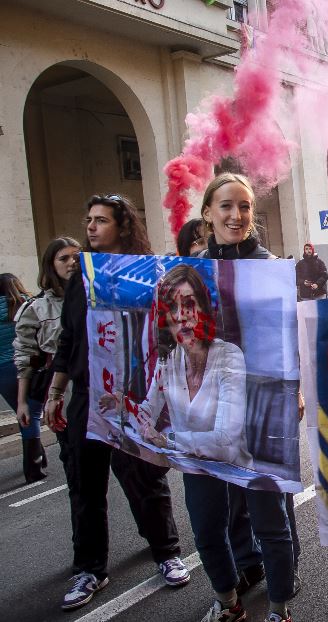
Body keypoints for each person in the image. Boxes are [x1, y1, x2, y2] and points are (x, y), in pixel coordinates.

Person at [43, 195, 189, 611]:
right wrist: (56, 392)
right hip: (88, 398)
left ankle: (166, 552)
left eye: (101, 220)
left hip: (134, 395)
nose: (90, 227)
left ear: (122, 227)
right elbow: (69, 339)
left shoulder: (147, 275)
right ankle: (89, 568)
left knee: (145, 478)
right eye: (88, 219)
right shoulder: (80, 278)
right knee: (85, 487)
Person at [191, 172, 296, 622]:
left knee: (270, 520)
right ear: (208, 213)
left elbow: (289, 337)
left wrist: (296, 392)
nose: (237, 215)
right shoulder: (189, 271)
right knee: (206, 520)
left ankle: (278, 608)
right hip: (200, 413)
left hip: (260, 408)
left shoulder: (270, 267)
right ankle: (229, 602)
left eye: (245, 207)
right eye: (227, 206)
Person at [175, 219, 267, 597]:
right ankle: (235, 579)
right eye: (195, 247)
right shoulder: (174, 356)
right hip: (204, 426)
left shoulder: (254, 267)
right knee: (212, 512)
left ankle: (256, 563)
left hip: (245, 388)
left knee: (246, 497)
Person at [99, 264, 251, 465]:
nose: (180, 316)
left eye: (188, 303)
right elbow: (148, 415)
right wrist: (125, 406)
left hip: (235, 478)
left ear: (204, 308)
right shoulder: (168, 361)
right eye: (171, 307)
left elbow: (225, 441)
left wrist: (168, 440)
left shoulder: (229, 356)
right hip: (194, 471)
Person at [12, 238, 81, 482]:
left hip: (105, 390)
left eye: (76, 256)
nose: (72, 262)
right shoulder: (36, 309)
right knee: (77, 467)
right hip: (65, 392)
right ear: (51, 265)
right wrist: (23, 403)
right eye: (63, 258)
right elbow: (25, 358)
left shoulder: (99, 297)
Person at [1, 273, 43, 482]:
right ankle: (33, 467)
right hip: (24, 365)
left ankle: (39, 458)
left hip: (2, 371)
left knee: (23, 413)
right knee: (32, 412)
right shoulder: (26, 306)